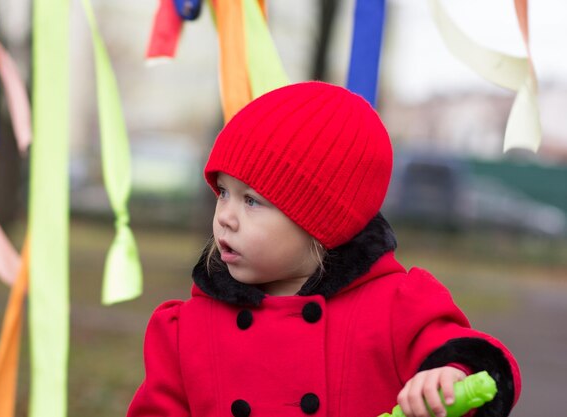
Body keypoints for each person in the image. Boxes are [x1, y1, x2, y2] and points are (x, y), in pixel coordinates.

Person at [127, 81, 521, 417]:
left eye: (251, 201)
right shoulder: (185, 332)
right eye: (223, 192)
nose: (225, 217)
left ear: (320, 221)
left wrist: (448, 375)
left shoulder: (396, 308)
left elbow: (480, 363)